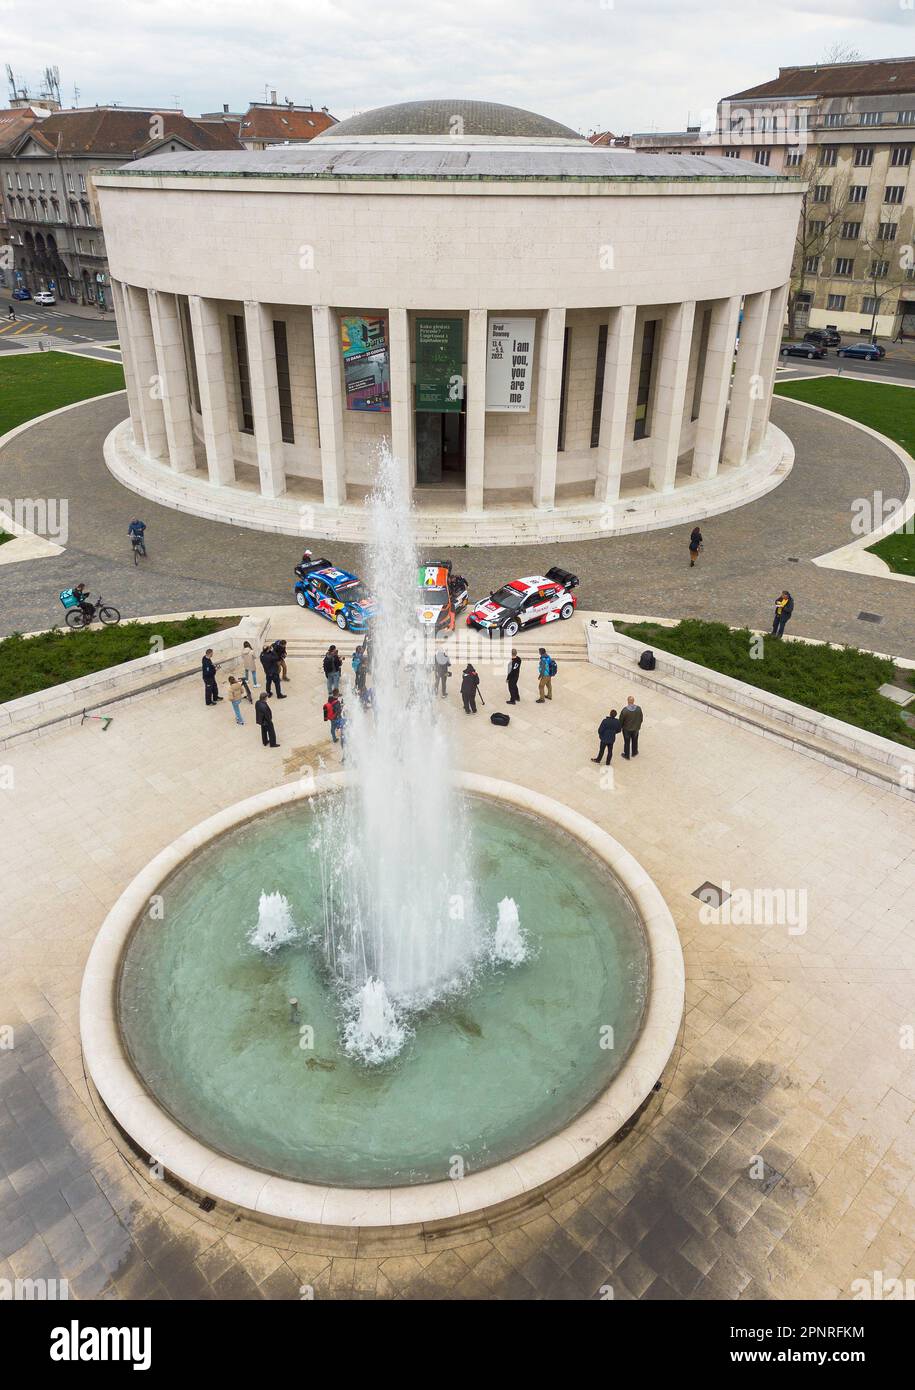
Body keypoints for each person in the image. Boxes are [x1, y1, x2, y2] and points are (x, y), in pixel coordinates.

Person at [619, 695, 643, 759]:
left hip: (627, 730)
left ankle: (627, 755)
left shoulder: (624, 711)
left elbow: (621, 720)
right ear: (633, 701)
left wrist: (620, 727)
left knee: (627, 742)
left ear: (628, 701)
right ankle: (634, 752)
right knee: (635, 740)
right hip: (635, 729)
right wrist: (638, 726)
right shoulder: (638, 709)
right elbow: (641, 719)